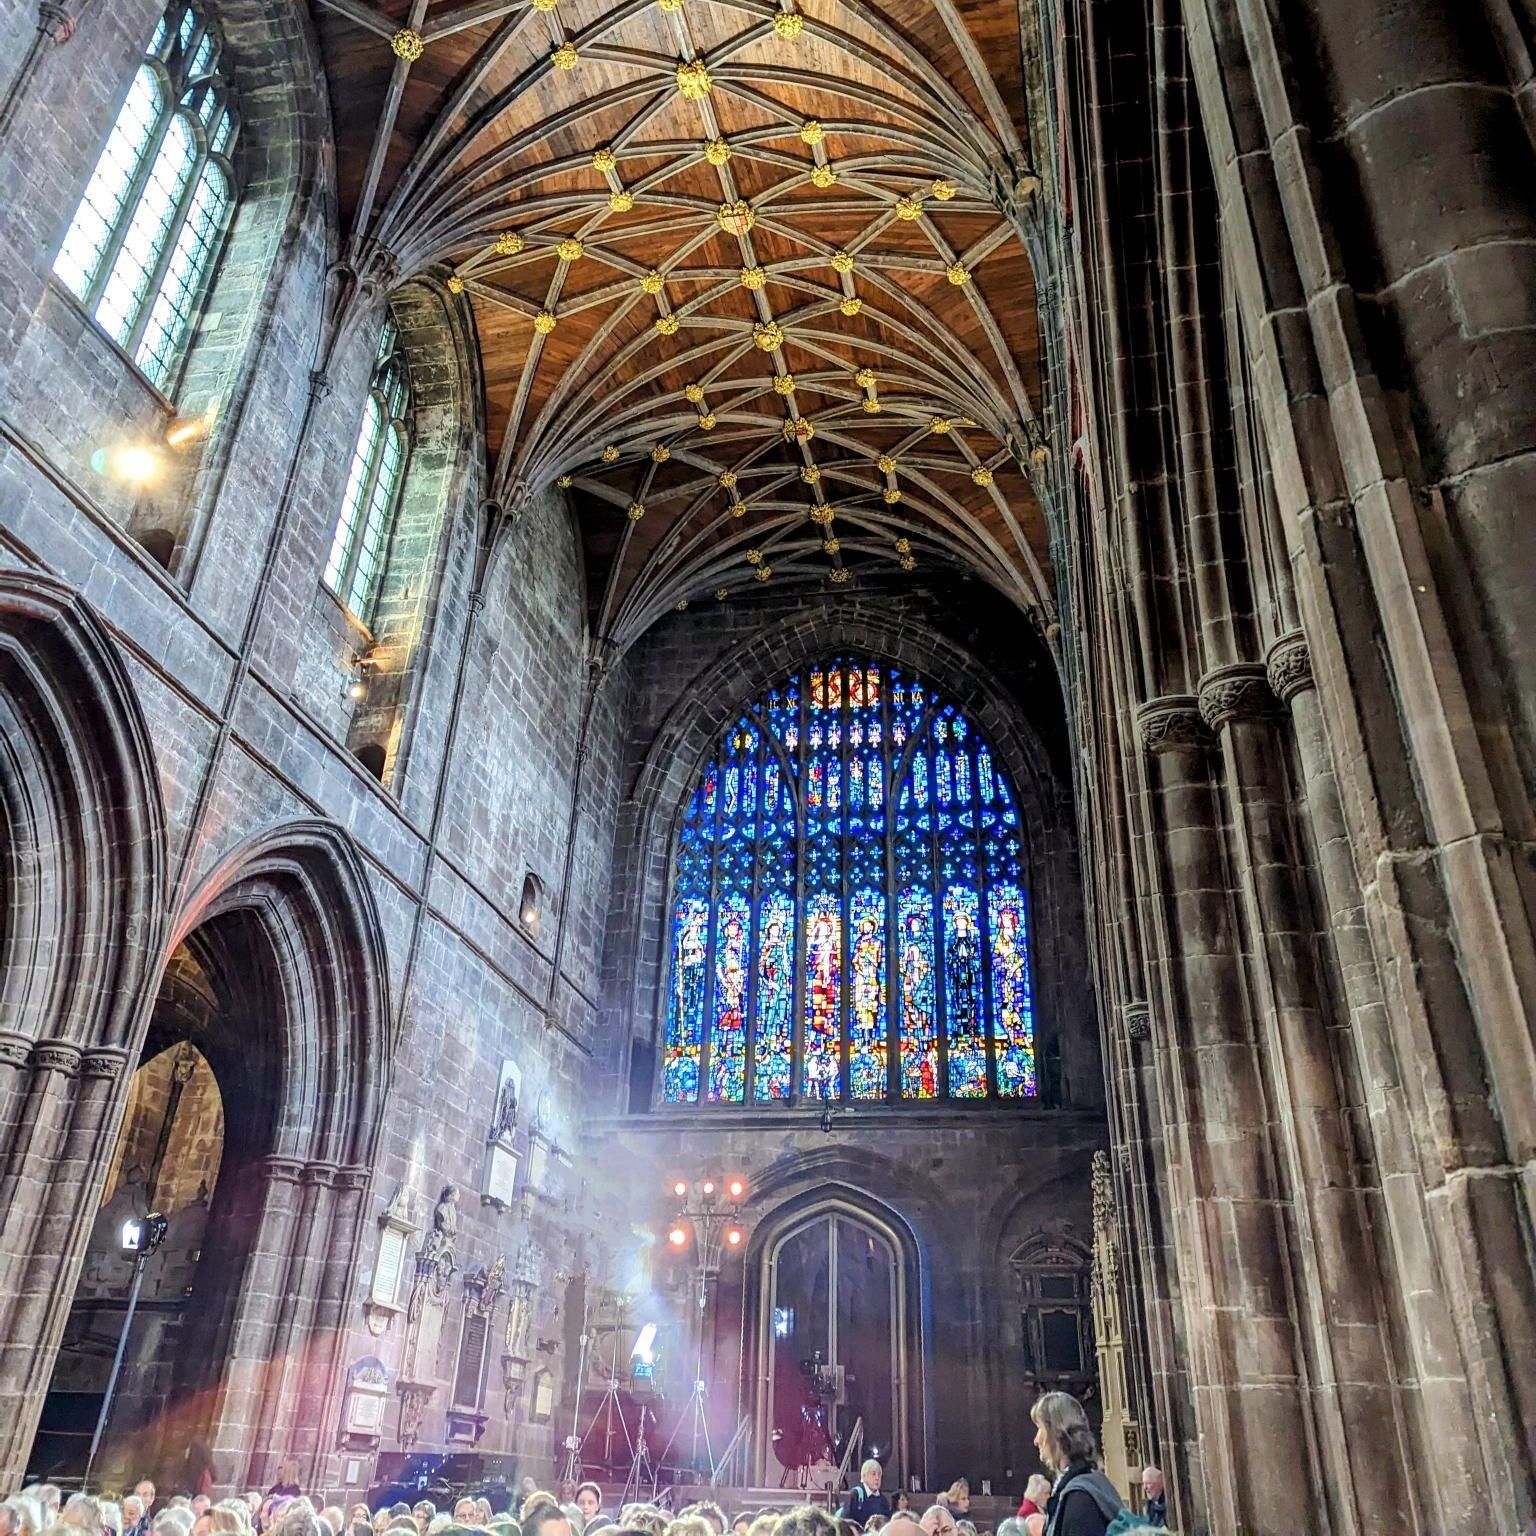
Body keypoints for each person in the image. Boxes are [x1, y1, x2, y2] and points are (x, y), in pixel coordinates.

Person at [1031, 1391, 1126, 1536]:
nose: (1036, 1440)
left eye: (1040, 1428)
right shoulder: (1093, 1483)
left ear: (1056, 1432)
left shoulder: (1079, 1500)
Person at [840, 1462, 889, 1527]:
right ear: (864, 1476)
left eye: (879, 1475)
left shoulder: (883, 1500)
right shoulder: (855, 1495)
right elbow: (845, 1522)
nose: (877, 1478)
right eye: (873, 1474)